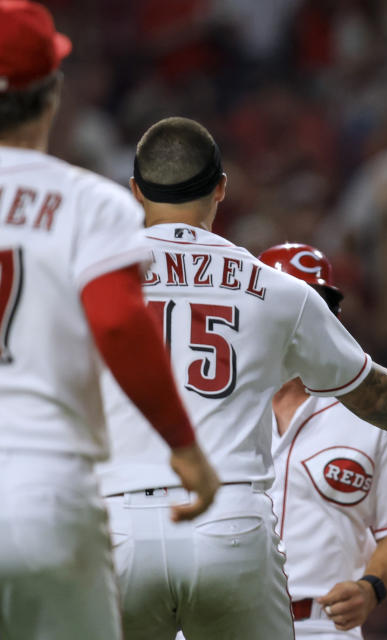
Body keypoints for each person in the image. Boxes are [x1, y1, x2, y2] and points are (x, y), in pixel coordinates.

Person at [95, 117, 387, 640]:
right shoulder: (274, 288)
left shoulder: (86, 278)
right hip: (230, 522)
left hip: (117, 520)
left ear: (135, 191)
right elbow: (370, 390)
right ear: (221, 189)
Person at [0, 4, 219, 639]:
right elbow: (120, 325)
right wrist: (184, 446)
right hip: (51, 488)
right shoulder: (90, 202)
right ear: (54, 92)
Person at [260, 242, 387, 638]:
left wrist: (370, 589)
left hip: (321, 627)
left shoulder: (375, 409)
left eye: (316, 305)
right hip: (214, 620)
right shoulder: (217, 400)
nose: (301, 318)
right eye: (288, 302)